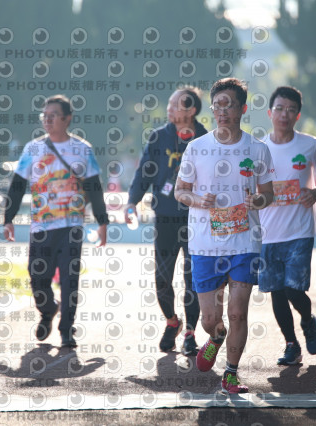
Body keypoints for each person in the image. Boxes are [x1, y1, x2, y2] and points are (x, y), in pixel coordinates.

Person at [175, 78, 275, 393]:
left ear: (242, 109)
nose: (221, 111)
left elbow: (268, 193)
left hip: (245, 241)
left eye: (228, 104)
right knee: (209, 319)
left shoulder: (258, 149)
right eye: (217, 105)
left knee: (237, 312)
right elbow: (180, 191)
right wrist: (197, 200)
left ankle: (231, 373)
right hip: (205, 243)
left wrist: (258, 200)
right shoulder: (196, 147)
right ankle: (216, 337)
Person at [3, 94, 109, 347]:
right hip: (41, 225)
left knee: (70, 279)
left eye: (53, 116)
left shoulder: (82, 149)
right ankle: (48, 309)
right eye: (45, 116)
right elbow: (17, 185)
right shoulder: (33, 149)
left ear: (67, 119)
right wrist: (8, 218)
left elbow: (94, 188)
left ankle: (66, 329)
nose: (47, 120)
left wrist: (102, 222)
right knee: (37, 278)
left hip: (72, 226)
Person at [125, 87, 207, 356]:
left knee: (192, 277)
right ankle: (172, 321)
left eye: (175, 105)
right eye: (169, 104)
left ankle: (190, 333)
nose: (169, 108)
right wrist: (132, 201)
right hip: (165, 218)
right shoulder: (159, 137)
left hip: (196, 218)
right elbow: (144, 171)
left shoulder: (206, 138)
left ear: (191, 110)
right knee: (162, 278)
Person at [258, 86, 316, 366]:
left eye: (290, 110)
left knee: (293, 288)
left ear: (297, 115)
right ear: (270, 113)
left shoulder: (309, 144)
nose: (284, 115)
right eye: (279, 109)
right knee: (276, 291)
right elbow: (248, 186)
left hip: (300, 230)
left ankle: (308, 321)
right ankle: (291, 344)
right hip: (267, 233)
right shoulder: (258, 149)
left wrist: (315, 192)